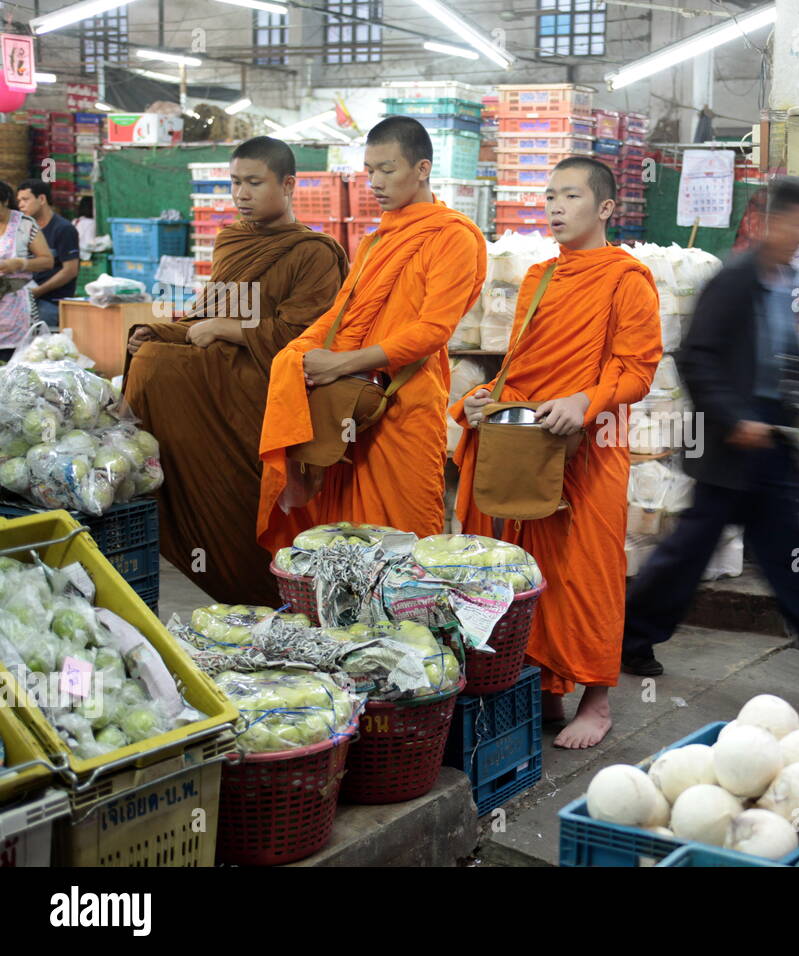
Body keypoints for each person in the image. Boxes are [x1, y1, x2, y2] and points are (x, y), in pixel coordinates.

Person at [621, 176, 799, 706]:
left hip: (768, 444)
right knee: (687, 554)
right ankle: (629, 637)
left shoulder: (778, 280)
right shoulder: (734, 280)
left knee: (792, 557)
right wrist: (735, 419)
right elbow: (697, 358)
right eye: (796, 225)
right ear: (769, 222)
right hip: (727, 445)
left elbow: (779, 358)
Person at [453, 156, 662, 750]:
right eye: (549, 197)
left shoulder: (628, 279)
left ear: (604, 208)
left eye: (569, 196)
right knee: (521, 566)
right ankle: (543, 688)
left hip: (593, 444)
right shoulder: (537, 278)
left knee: (585, 571)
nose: (554, 207)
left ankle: (596, 700)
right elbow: (518, 370)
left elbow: (637, 368)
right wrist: (479, 402)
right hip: (528, 442)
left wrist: (586, 399)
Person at [122, 137, 348, 606]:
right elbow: (202, 316)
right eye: (234, 182)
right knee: (149, 357)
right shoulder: (232, 240)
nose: (241, 193)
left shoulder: (315, 252)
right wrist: (160, 332)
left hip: (266, 389)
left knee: (242, 508)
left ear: (288, 185)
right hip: (215, 381)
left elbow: (304, 337)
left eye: (253, 182)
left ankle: (272, 591)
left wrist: (230, 329)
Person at [257, 117, 487, 553]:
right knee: (343, 534)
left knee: (403, 542)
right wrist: (299, 353)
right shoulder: (378, 238)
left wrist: (339, 363)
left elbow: (432, 330)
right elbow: (342, 310)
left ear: (422, 168)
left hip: (406, 404)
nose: (375, 182)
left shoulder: (452, 236)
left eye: (387, 169)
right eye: (369, 171)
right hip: (350, 405)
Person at [0, 180, 54, 361]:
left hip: (16, 306)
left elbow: (47, 261)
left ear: (5, 201)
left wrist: (19, 264)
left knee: (15, 361)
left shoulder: (24, 225)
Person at [17, 179, 80, 328]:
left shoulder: (64, 229)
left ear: (42, 199)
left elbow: (70, 271)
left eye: (25, 199)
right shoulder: (23, 229)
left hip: (51, 301)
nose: (20, 205)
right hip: (25, 298)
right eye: (18, 200)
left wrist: (37, 292)